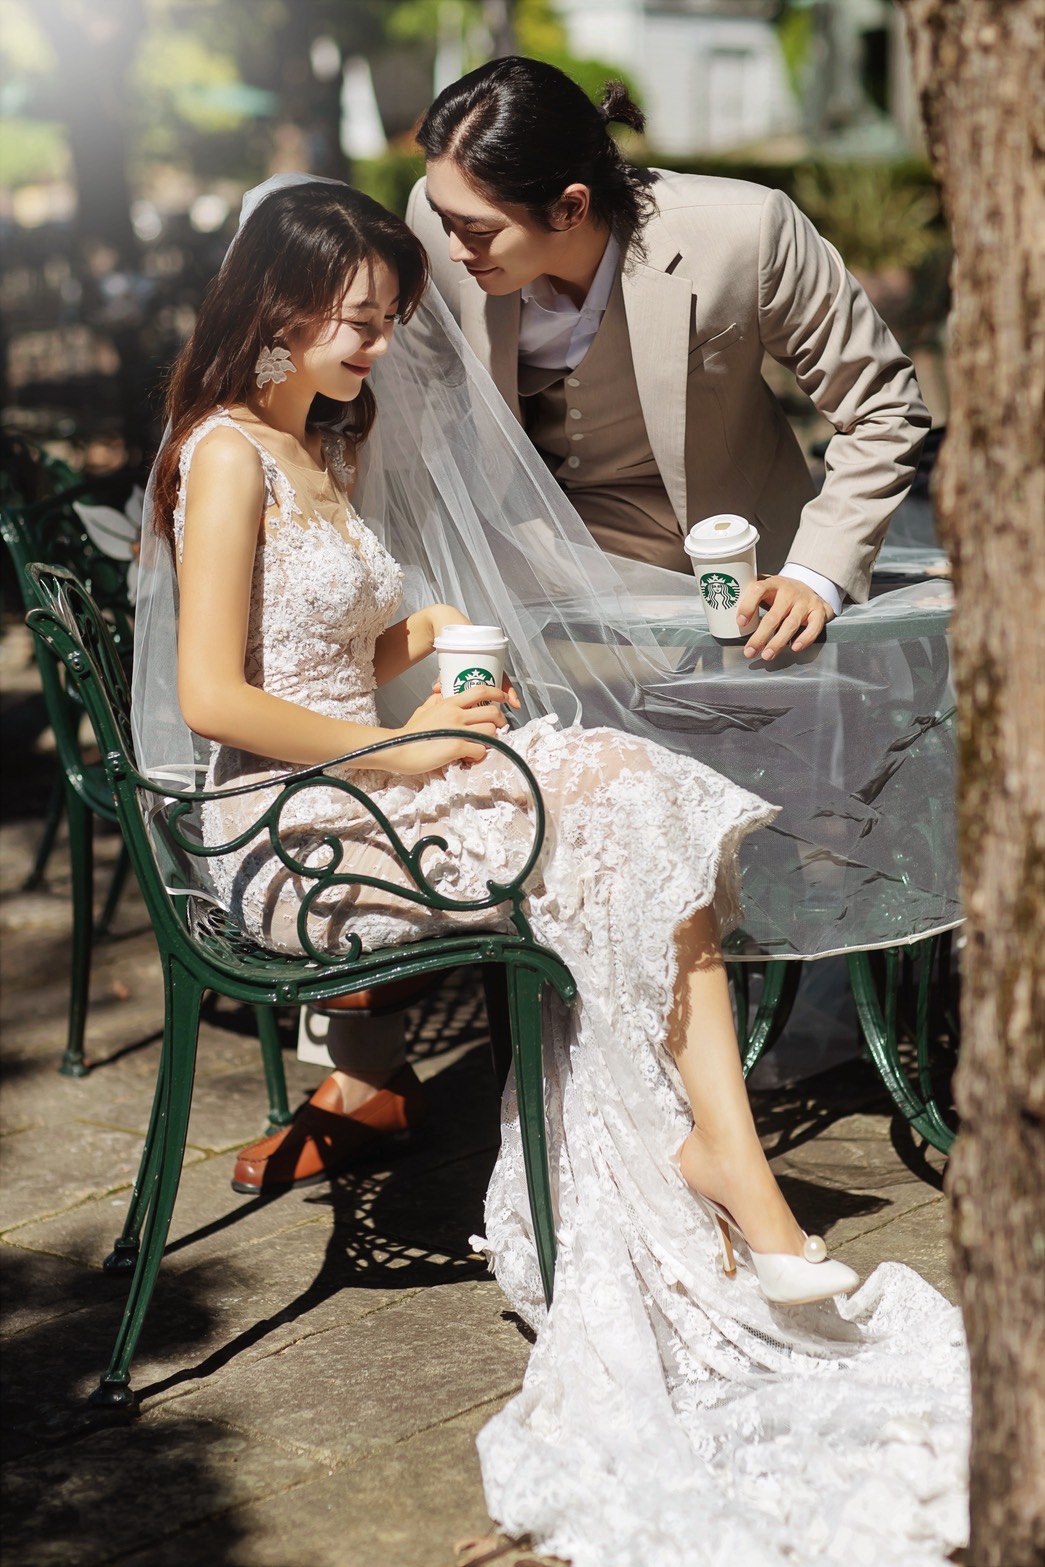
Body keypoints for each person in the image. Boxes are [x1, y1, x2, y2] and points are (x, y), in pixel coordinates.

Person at [134, 179, 968, 1567]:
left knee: (628, 796)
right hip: (289, 831)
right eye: (358, 321)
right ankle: (724, 1163)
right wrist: (399, 750)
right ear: (276, 307)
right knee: (618, 800)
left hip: (358, 788)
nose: (378, 347)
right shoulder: (226, 452)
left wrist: (424, 642)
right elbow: (215, 695)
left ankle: (722, 1157)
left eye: (389, 321)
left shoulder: (311, 443)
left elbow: (332, 645)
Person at [407, 57, 932, 663]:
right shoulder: (440, 218)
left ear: (570, 208)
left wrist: (816, 574)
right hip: (532, 559)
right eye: (445, 221)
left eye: (476, 231)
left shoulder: (747, 233)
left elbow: (883, 406)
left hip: (732, 567)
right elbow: (413, 408)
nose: (453, 247)